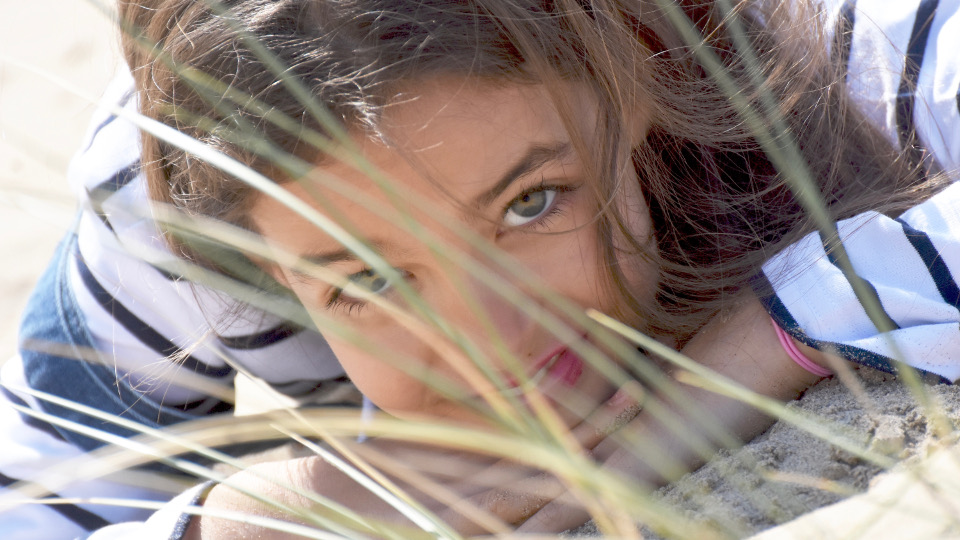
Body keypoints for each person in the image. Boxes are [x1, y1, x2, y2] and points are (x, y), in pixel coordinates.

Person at [0, 0, 957, 538]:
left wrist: (768, 336)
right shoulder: (177, 197)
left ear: (630, 79)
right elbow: (33, 498)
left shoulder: (849, 46)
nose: (495, 346)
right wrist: (254, 516)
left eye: (532, 202)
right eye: (368, 280)